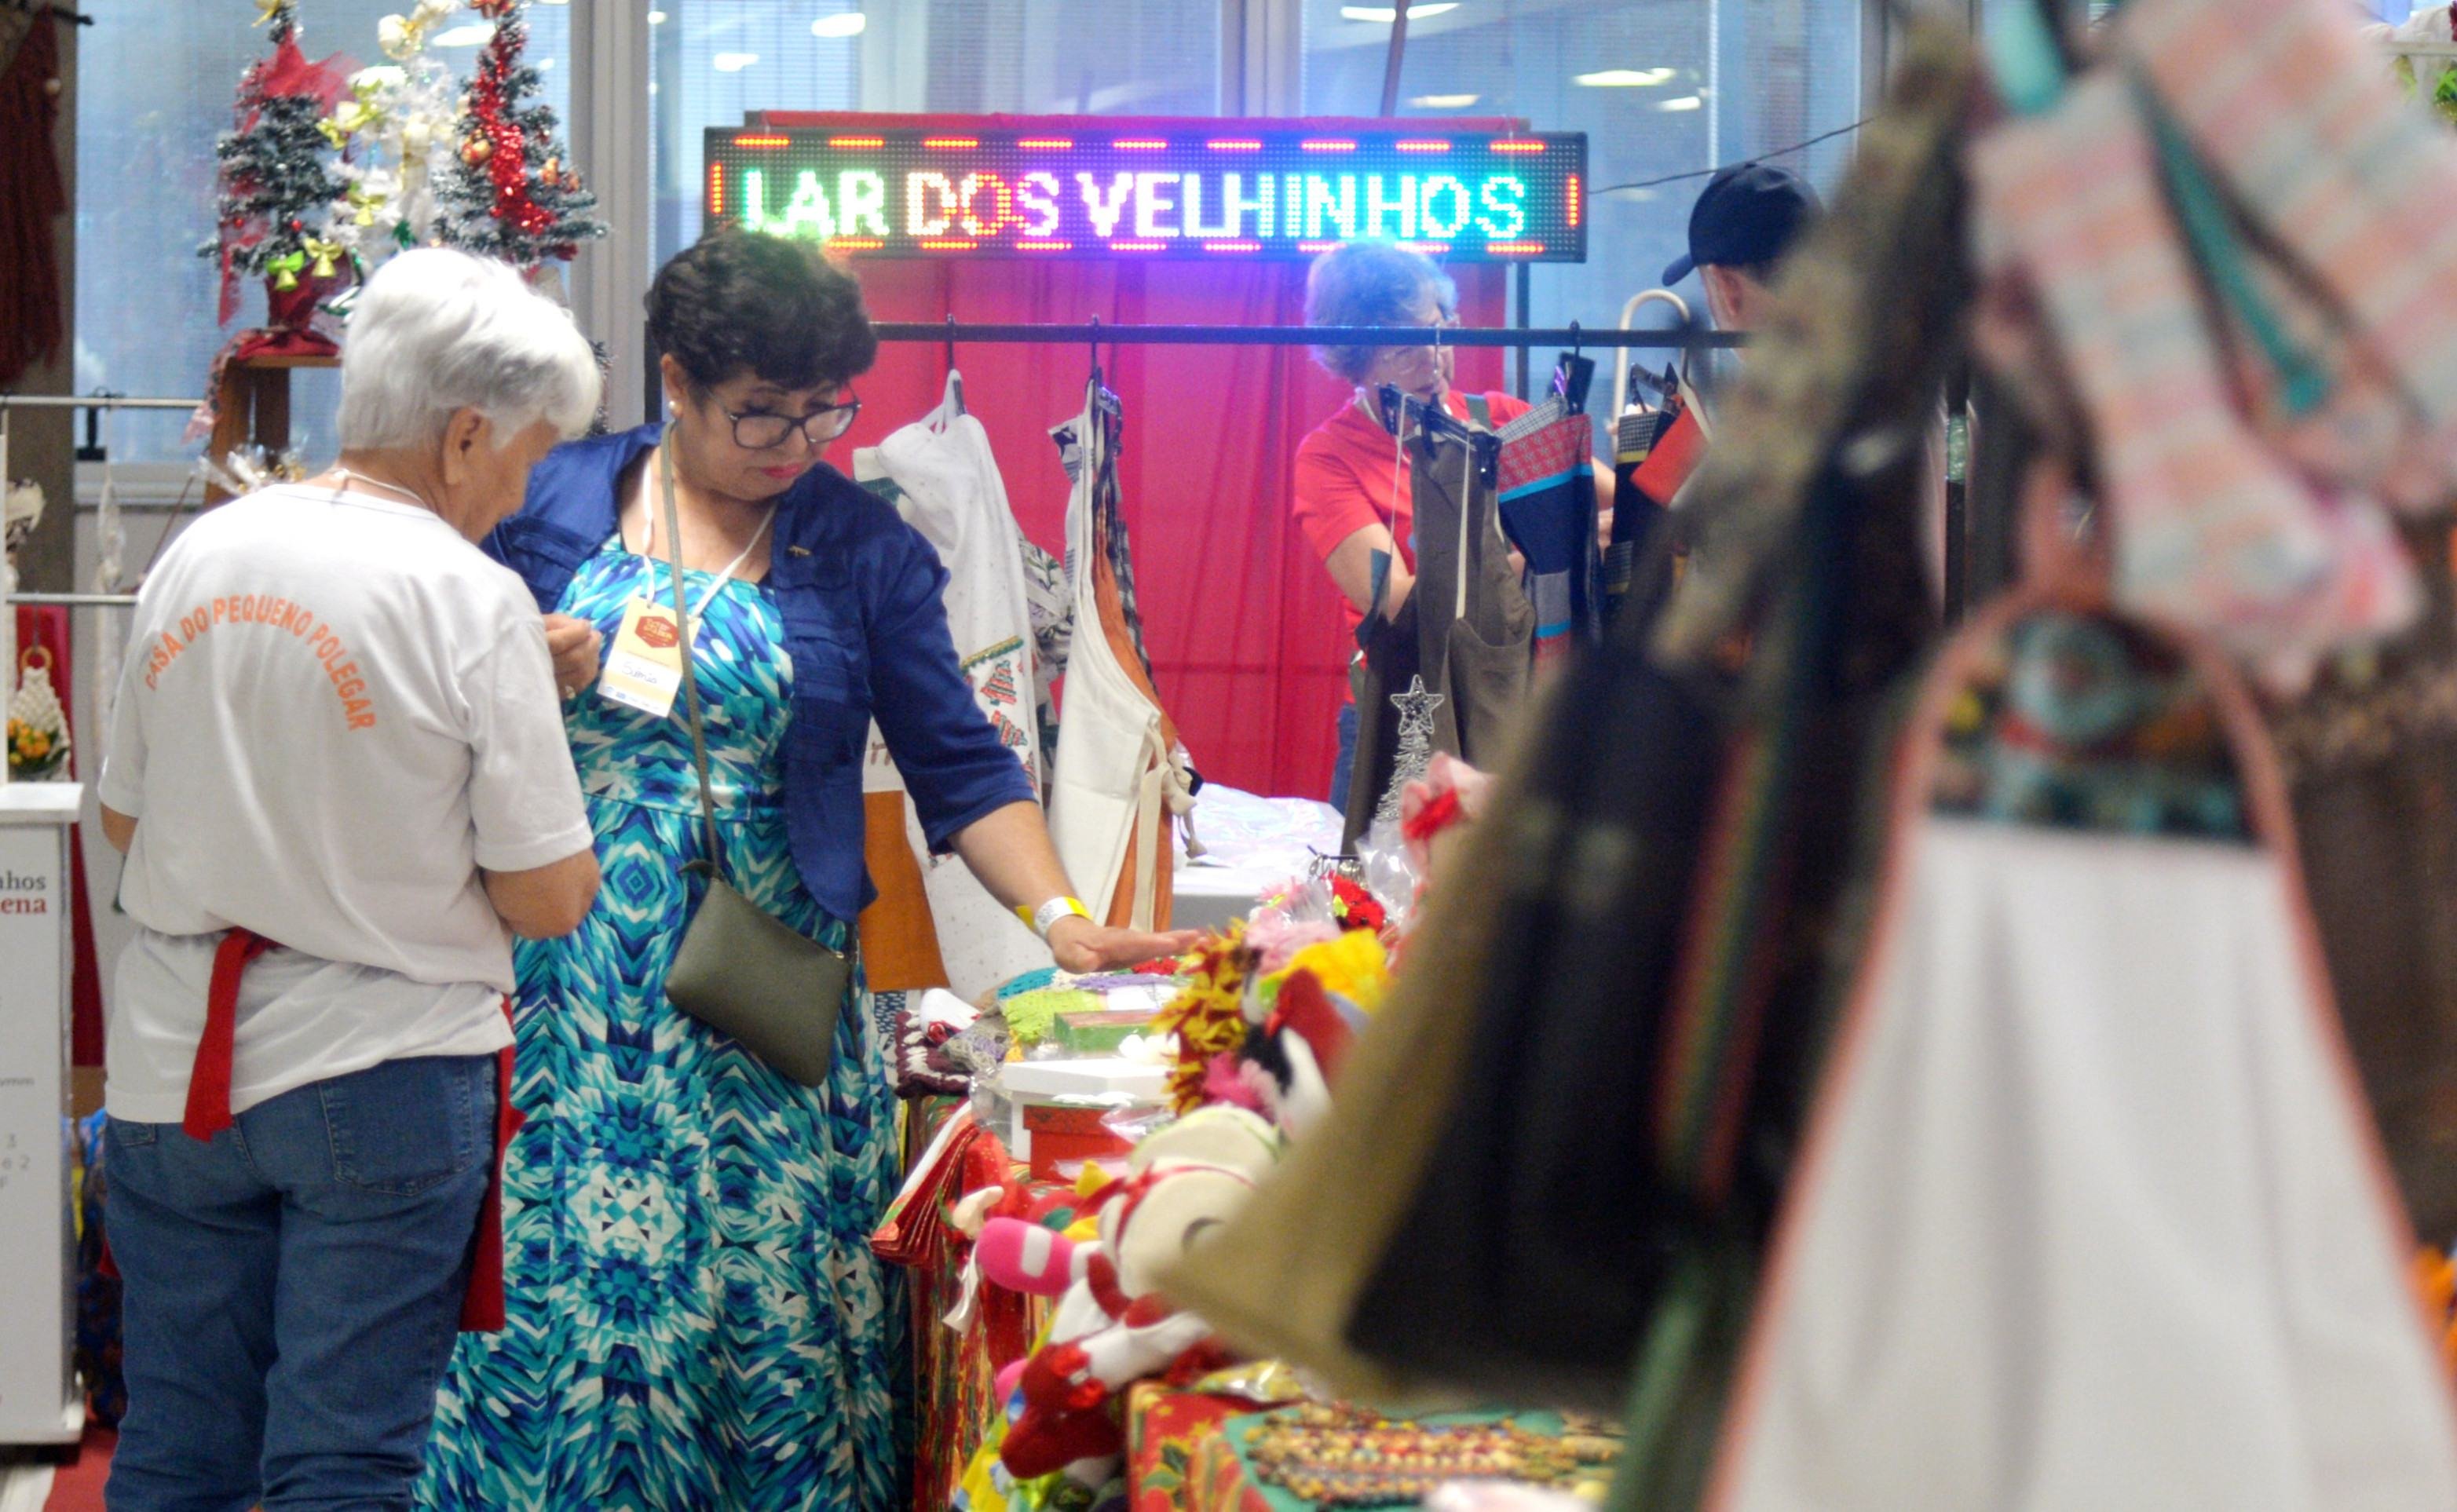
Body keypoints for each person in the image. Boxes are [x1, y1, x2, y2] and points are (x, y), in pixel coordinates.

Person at [416, 228, 1197, 1512]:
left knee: (762, 1282)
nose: (793, 448)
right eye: (758, 417)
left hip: (758, 979)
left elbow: (959, 758)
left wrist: (1060, 918)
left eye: (822, 415)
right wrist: (512, 662)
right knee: (557, 1276)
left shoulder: (862, 547)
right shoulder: (550, 500)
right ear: (674, 381)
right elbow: (428, 673)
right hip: (557, 966)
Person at [94, 248, 603, 1512]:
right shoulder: (471, 596)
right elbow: (550, 897)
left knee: (177, 1448)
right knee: (340, 1461)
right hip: (379, 1071)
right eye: (525, 455)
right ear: (465, 431)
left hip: (173, 1074)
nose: (520, 485)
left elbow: (119, 818)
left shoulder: (203, 552)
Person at [1292, 240, 1614, 813]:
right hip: (1407, 713)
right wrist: (1540, 555)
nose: (1428, 361)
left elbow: (1614, 500)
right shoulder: (1328, 457)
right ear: (1353, 361)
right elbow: (1398, 603)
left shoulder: (1505, 420)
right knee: (1377, 899)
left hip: (1518, 704)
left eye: (1436, 334)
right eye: (1399, 351)